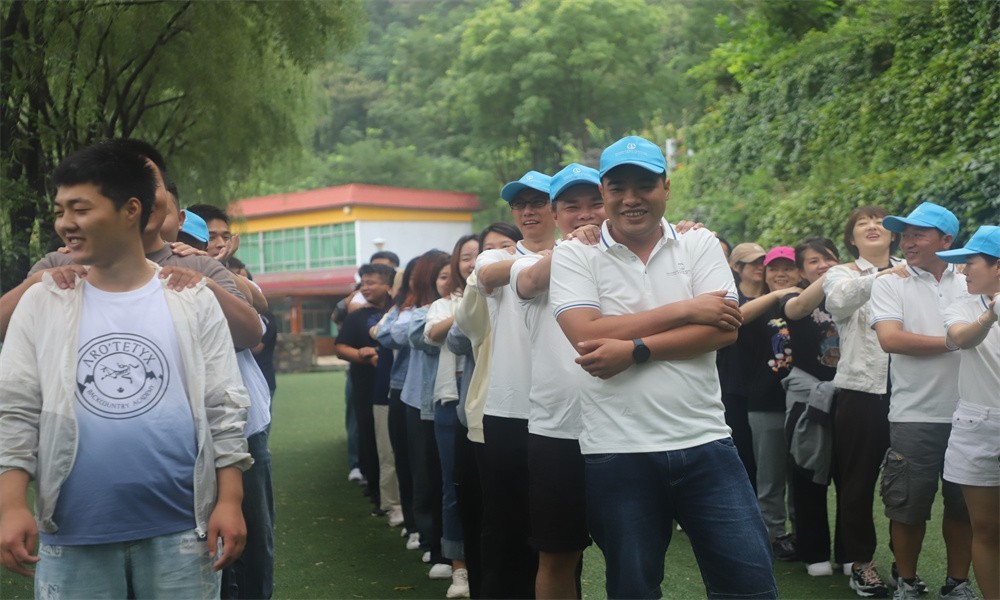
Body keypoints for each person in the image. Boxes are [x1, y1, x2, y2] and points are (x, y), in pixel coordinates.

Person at [0, 141, 251, 596]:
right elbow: (15, 407)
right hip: (72, 533)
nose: (65, 223)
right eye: (59, 211)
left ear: (131, 209)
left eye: (80, 209)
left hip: (182, 532)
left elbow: (224, 405)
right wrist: (11, 503)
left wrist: (230, 499)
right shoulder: (45, 300)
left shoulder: (190, 298)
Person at [549, 136, 775, 599]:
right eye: (618, 188)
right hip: (617, 449)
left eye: (644, 185)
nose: (631, 198)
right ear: (604, 193)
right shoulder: (574, 253)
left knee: (750, 587)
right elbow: (586, 334)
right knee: (633, 589)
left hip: (706, 440)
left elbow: (723, 331)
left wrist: (635, 349)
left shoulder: (698, 243)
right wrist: (687, 309)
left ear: (666, 188)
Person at [870, 202, 973, 600]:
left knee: (964, 508)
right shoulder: (890, 283)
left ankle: (957, 583)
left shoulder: (971, 280)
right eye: (905, 235)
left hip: (971, 413)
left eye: (919, 234)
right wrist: (956, 341)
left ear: (946, 241)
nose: (907, 242)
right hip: (914, 414)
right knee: (907, 506)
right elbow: (890, 339)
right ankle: (908, 582)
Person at [474, 171, 556, 598]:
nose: (527, 211)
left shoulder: (584, 253)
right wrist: (564, 254)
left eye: (538, 202)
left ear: (556, 207)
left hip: (564, 415)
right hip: (508, 411)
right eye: (519, 205)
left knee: (559, 538)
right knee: (504, 528)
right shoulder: (494, 257)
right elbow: (490, 276)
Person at [822, 205, 903, 596]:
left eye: (880, 222)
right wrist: (887, 276)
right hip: (860, 392)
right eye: (862, 223)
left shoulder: (912, 271)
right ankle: (860, 563)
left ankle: (906, 565)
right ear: (851, 238)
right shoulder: (841, 274)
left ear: (894, 235)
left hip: (910, 393)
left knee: (910, 484)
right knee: (857, 482)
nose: (872, 226)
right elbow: (838, 301)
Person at [450, 222, 522, 598]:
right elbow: (460, 331)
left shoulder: (541, 274)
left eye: (504, 246)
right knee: (494, 522)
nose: (492, 255)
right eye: (484, 250)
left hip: (543, 420)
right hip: (486, 419)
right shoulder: (481, 292)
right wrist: (483, 275)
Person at [936, 225, 999, 600]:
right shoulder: (962, 304)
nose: (962, 270)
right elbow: (961, 338)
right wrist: (990, 315)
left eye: (970, 262)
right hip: (977, 425)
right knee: (987, 528)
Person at [779, 238, 843, 576]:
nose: (823, 265)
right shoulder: (794, 297)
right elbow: (799, 308)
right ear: (802, 271)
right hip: (807, 397)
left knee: (850, 479)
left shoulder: (852, 295)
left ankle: (850, 554)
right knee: (806, 472)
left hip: (850, 394)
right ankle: (814, 552)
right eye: (814, 261)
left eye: (829, 258)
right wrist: (837, 274)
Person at [739, 246, 803, 560]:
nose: (781, 274)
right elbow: (738, 317)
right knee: (771, 476)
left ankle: (803, 533)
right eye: (774, 269)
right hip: (766, 401)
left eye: (788, 268)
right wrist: (779, 294)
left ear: (800, 272)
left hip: (805, 402)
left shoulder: (807, 304)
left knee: (802, 475)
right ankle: (774, 535)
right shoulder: (759, 306)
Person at [425, 235, 479, 598]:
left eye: (479, 255)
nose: (472, 262)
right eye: (466, 257)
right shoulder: (443, 304)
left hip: (487, 395)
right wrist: (469, 305)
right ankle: (460, 568)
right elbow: (432, 334)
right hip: (450, 398)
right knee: (453, 484)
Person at [335, 263, 398, 520]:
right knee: (370, 438)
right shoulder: (357, 317)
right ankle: (377, 493)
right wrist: (363, 355)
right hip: (366, 387)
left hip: (398, 387)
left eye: (372, 283)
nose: (365, 288)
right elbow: (341, 348)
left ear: (389, 285)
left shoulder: (401, 311)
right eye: (363, 283)